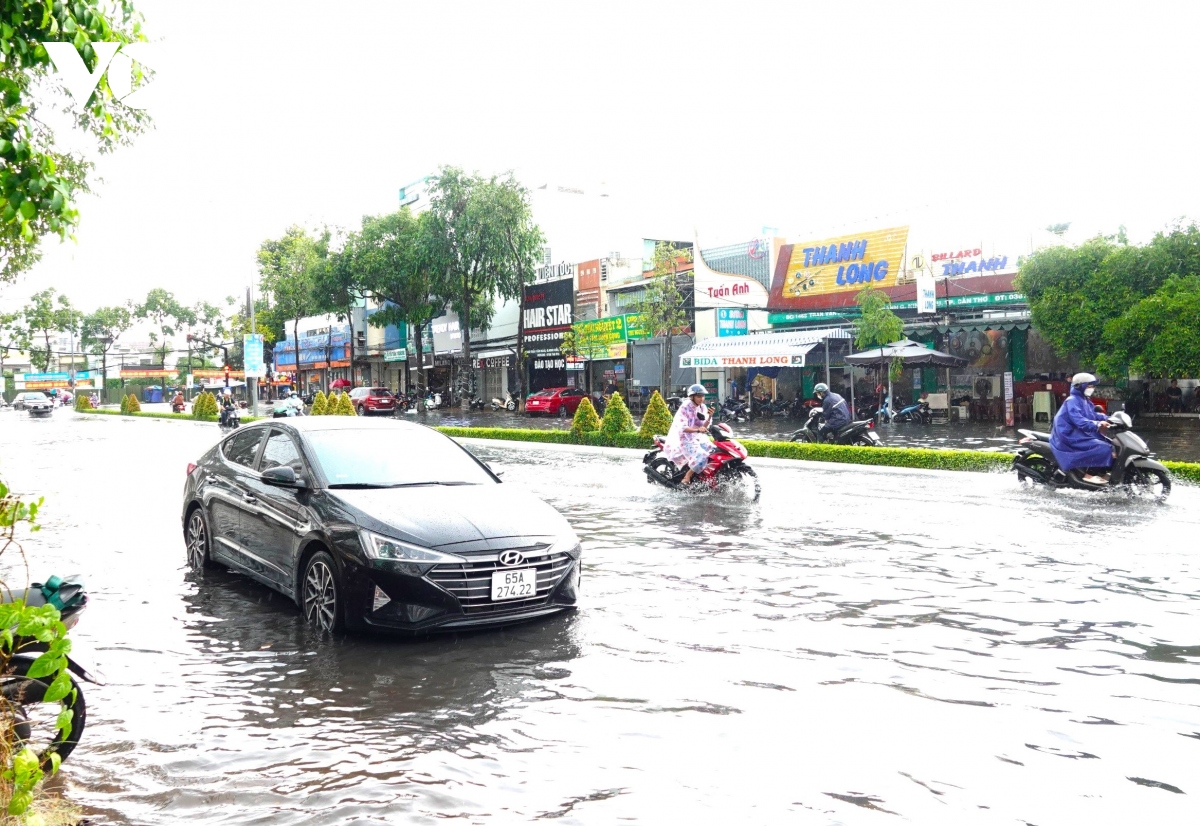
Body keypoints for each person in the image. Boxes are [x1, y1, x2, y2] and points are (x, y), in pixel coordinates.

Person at [1050, 372, 1113, 484]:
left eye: (1092, 386)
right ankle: (1085, 474)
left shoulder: (1085, 400)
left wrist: (1110, 418)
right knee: (1103, 447)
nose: (1092, 388)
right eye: (1089, 386)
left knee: (1110, 444)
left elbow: (1093, 415)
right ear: (1080, 386)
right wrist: (1097, 424)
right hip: (1068, 435)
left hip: (1078, 432)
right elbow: (1080, 421)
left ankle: (1098, 472)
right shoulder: (1072, 400)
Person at [662, 384, 714, 486]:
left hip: (698, 437)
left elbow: (704, 426)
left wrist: (709, 417)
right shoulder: (685, 407)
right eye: (699, 396)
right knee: (702, 455)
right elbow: (683, 428)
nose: (701, 399)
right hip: (685, 438)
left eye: (703, 396)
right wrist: (698, 430)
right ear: (692, 397)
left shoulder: (702, 407)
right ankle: (688, 476)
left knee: (713, 451)